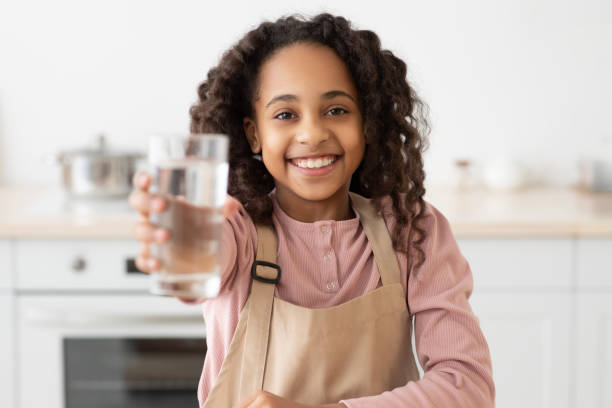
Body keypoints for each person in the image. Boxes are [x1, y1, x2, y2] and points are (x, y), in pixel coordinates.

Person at [129, 13, 495, 408]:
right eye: (285, 115)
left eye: (336, 110)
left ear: (366, 121)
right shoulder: (239, 231)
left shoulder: (412, 230)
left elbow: (468, 387)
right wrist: (180, 244)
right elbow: (203, 260)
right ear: (254, 133)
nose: (313, 134)